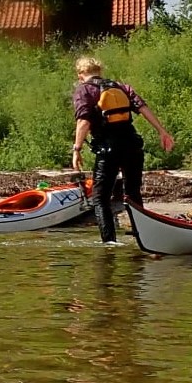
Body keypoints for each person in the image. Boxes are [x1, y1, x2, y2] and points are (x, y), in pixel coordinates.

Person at [70, 56, 175, 244]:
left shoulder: (84, 90)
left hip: (108, 150)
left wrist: (76, 149)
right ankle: (144, 238)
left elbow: (83, 121)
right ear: (100, 71)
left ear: (80, 75)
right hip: (132, 146)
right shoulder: (120, 87)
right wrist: (162, 132)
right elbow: (143, 107)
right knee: (133, 194)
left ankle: (109, 243)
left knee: (100, 199)